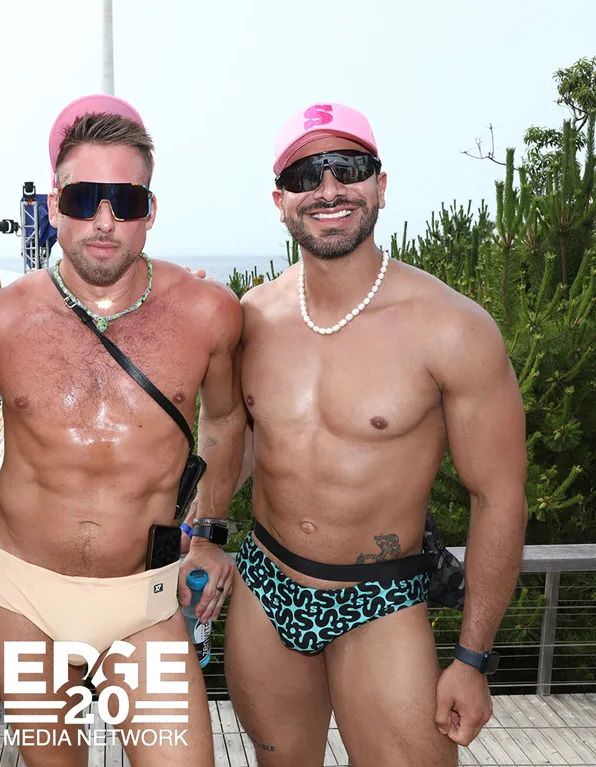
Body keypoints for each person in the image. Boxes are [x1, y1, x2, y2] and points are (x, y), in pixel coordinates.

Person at [0, 94, 245, 766]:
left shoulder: (208, 313)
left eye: (125, 202)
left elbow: (224, 417)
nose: (104, 221)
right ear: (55, 206)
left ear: (150, 211)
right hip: (23, 598)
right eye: (83, 199)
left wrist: (211, 533)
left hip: (146, 600)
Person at [224, 103, 528, 767]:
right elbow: (237, 447)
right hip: (264, 584)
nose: (329, 187)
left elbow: (500, 495)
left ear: (380, 185)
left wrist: (473, 658)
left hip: (380, 599)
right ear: (280, 201)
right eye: (306, 174)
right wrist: (196, 533)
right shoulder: (252, 317)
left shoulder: (451, 327)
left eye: (349, 167)